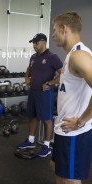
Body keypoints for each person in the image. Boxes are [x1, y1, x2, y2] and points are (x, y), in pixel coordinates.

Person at [50, 12, 92, 184]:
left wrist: (81, 121)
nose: (53, 35)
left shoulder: (79, 56)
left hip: (74, 132)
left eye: (54, 30)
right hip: (63, 129)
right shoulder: (71, 56)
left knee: (70, 179)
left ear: (64, 29)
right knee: (56, 167)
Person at [17, 33, 63, 157]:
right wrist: (26, 77)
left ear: (44, 42)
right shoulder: (33, 57)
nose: (34, 45)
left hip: (45, 94)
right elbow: (28, 69)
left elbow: (62, 73)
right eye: (33, 43)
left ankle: (46, 146)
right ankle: (31, 141)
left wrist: (50, 83)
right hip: (33, 91)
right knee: (32, 116)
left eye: (36, 43)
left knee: (47, 120)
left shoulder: (52, 57)